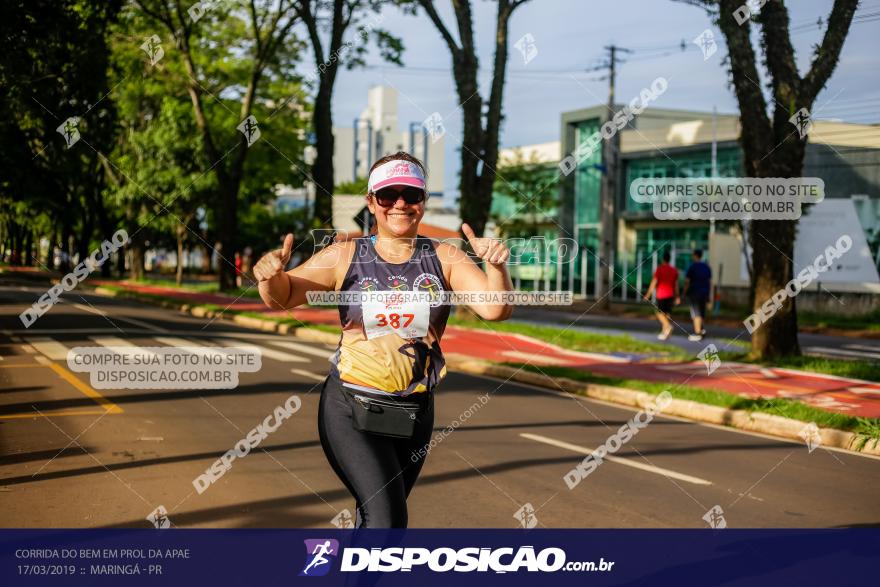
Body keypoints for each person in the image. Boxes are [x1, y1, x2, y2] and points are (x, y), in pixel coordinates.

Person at [253, 151, 514, 528]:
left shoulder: (445, 257)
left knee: (374, 519)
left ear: (423, 202)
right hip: (351, 408)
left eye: (411, 194)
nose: (400, 204)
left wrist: (496, 267)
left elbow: (495, 310)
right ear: (371, 201)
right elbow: (283, 296)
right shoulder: (345, 255)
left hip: (414, 413)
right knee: (387, 521)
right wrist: (270, 275)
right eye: (389, 194)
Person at [643, 251, 679, 340]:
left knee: (659, 313)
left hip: (661, 294)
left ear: (663, 259)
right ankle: (665, 333)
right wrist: (677, 296)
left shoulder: (660, 269)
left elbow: (654, 282)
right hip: (670, 294)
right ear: (669, 259)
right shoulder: (674, 270)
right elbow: (676, 284)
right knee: (667, 314)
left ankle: (668, 327)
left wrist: (648, 294)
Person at [683, 249, 712, 341]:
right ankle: (702, 330)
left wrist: (684, 293)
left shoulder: (692, 267)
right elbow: (709, 282)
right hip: (704, 293)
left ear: (695, 255)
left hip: (695, 292)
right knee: (702, 313)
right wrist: (709, 295)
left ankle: (697, 333)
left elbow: (687, 281)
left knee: (696, 313)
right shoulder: (707, 267)